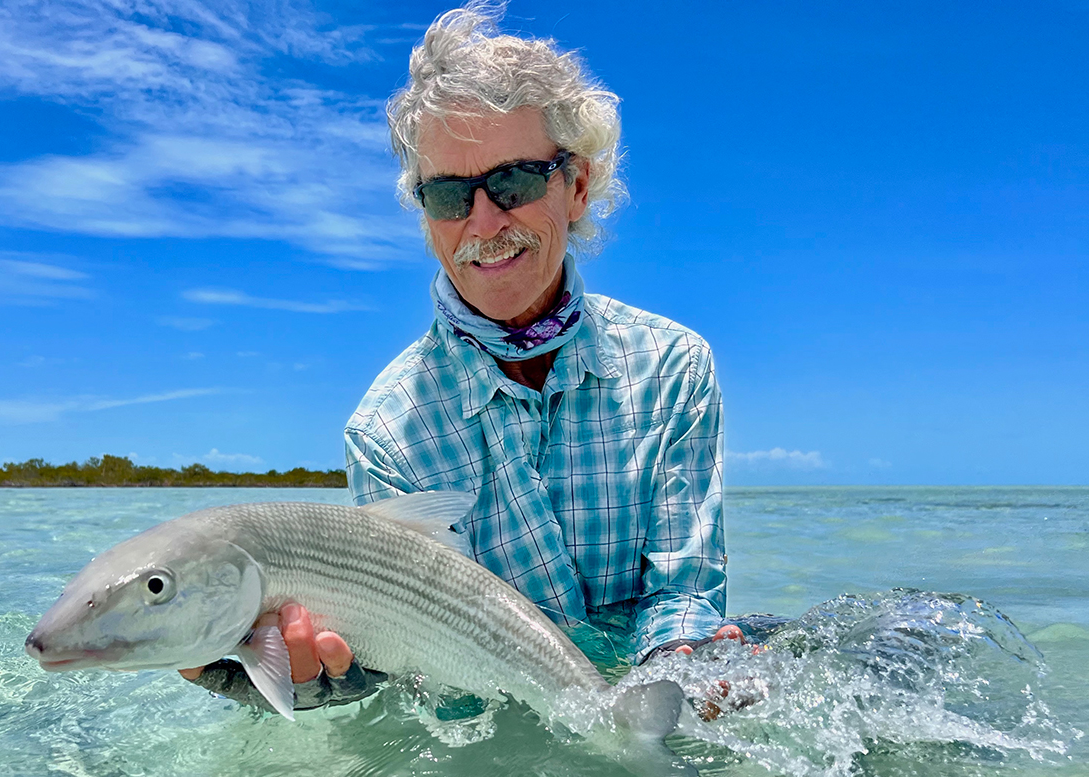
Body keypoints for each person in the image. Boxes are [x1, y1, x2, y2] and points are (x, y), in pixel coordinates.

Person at [181, 6, 743, 709]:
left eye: (513, 183)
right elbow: (414, 654)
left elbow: (684, 595)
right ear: (425, 214)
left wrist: (672, 695)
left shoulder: (673, 366)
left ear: (576, 186)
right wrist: (318, 685)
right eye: (448, 194)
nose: (483, 222)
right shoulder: (386, 429)